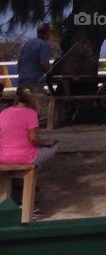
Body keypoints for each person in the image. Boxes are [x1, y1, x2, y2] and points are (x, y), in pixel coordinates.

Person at [0, 86, 57, 214]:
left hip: (3, 157)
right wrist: (46, 143)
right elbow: (33, 140)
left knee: (36, 160)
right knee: (51, 148)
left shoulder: (4, 113)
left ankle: (18, 190)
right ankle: (28, 193)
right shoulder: (31, 114)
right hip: (23, 157)